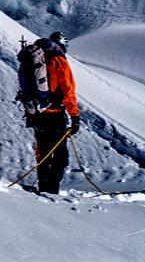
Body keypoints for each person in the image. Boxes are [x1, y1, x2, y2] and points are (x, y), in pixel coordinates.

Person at [31, 31, 80, 194]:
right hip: (55, 115)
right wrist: (74, 116)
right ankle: (51, 192)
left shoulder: (35, 57)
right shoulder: (59, 60)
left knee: (42, 153)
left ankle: (43, 187)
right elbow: (68, 90)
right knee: (60, 157)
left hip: (36, 114)